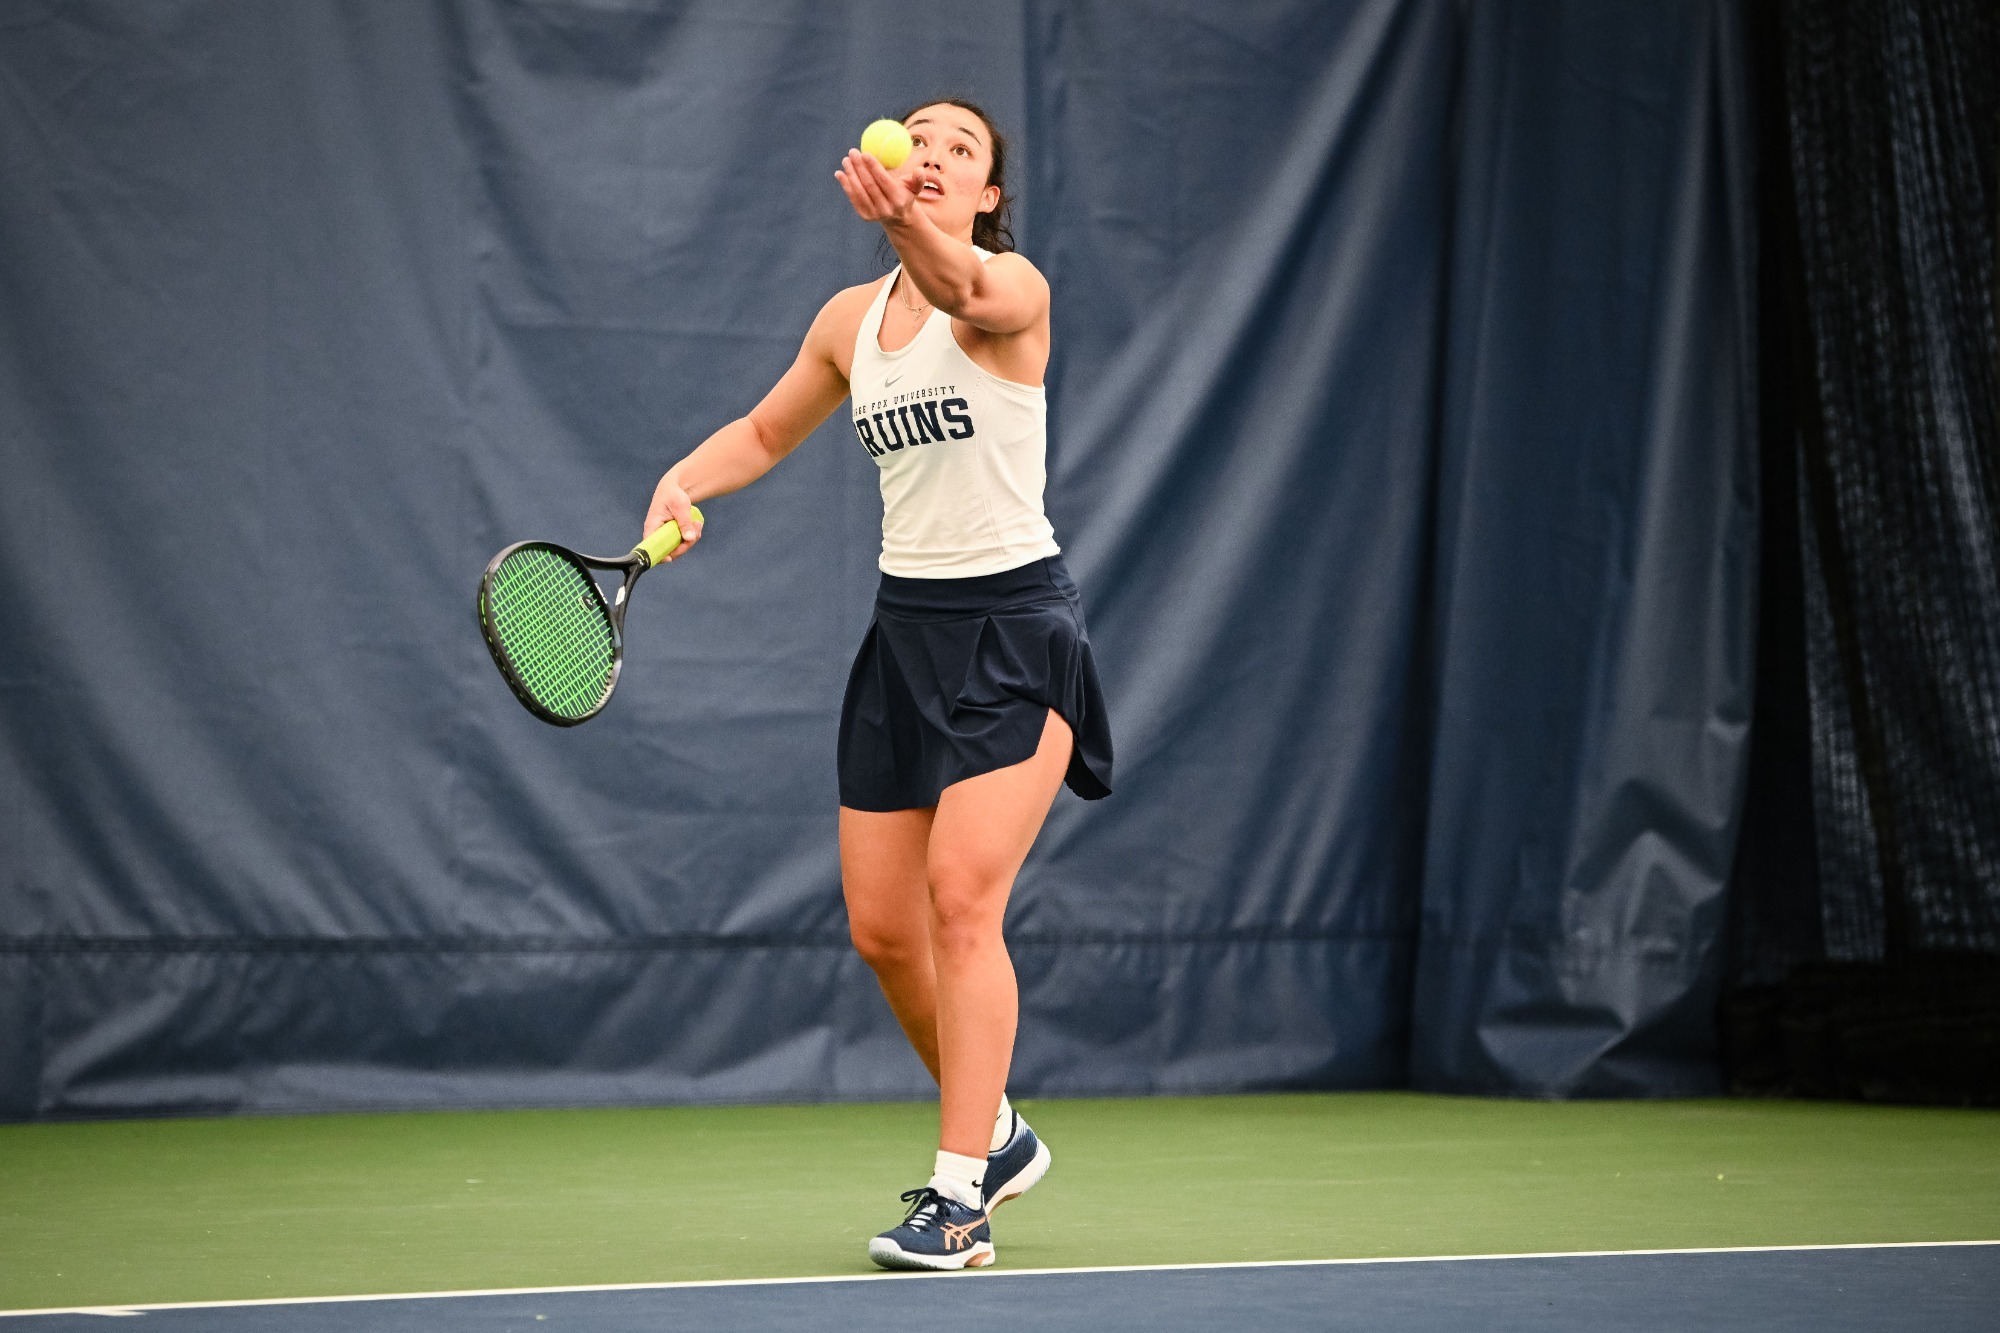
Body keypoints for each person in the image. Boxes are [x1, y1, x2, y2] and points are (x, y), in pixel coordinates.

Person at [642, 98, 1112, 1272]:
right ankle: (996, 1132)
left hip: (1015, 633)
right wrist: (681, 481)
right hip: (904, 637)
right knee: (883, 932)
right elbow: (762, 430)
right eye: (924, 139)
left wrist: (911, 230)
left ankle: (959, 1202)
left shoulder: (1013, 297)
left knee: (962, 900)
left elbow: (957, 290)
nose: (938, 155)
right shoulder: (850, 322)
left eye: (965, 151)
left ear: (988, 196)